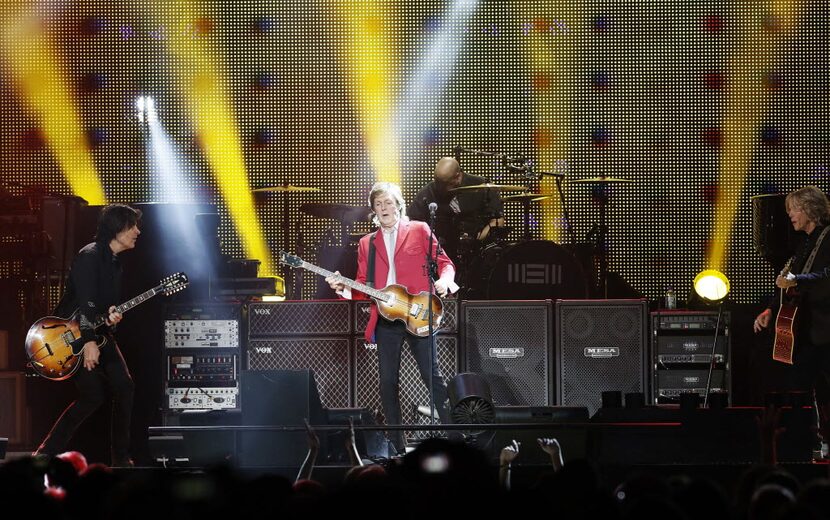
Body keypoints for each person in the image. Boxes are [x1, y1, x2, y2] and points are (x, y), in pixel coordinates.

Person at [326, 182, 459, 454]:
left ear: (398, 204)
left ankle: (456, 439)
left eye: (388, 202)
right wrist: (345, 287)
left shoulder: (420, 230)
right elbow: (365, 286)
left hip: (420, 313)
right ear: (373, 210)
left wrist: (445, 281)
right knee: (388, 383)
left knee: (432, 377)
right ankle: (398, 448)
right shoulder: (367, 243)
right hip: (387, 319)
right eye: (378, 204)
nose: (384, 208)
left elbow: (445, 263)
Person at [34, 203, 142, 467]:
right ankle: (45, 455)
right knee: (92, 396)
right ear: (117, 229)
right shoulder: (89, 256)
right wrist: (90, 341)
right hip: (71, 336)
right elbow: (85, 304)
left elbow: (100, 309)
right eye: (132, 226)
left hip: (98, 333)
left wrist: (113, 318)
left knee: (125, 387)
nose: (138, 231)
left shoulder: (114, 265)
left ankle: (120, 459)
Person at [753, 186, 830, 458]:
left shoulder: (828, 239)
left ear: (809, 209)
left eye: (793, 209)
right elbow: (788, 284)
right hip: (805, 332)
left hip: (825, 330)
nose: (790, 216)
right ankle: (811, 443)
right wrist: (770, 311)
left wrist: (799, 280)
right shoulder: (803, 244)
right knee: (803, 389)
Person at [408, 156, 505, 264]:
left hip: (478, 253)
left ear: (457, 177)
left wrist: (477, 241)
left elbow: (498, 221)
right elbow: (412, 223)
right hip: (441, 253)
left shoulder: (482, 186)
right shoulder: (428, 192)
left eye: (445, 184)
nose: (440, 188)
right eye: (438, 183)